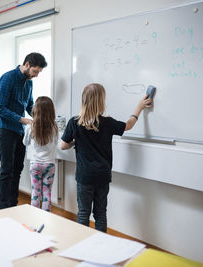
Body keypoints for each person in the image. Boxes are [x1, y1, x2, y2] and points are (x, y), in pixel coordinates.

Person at [60, 83, 152, 232]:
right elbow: (128, 125)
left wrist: (75, 142)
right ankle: (102, 247)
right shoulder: (107, 122)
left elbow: (63, 145)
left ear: (84, 100)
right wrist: (139, 107)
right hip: (103, 175)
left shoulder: (74, 122)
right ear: (101, 101)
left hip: (84, 176)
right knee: (100, 214)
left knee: (83, 213)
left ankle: (81, 245)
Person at [0, 52, 47, 209]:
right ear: (27, 65)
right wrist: (22, 119)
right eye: (35, 71)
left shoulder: (29, 82)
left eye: (38, 73)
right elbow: (0, 108)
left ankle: (13, 204)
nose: (36, 75)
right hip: (5, 128)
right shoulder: (7, 78)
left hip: (19, 130)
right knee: (6, 169)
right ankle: (3, 207)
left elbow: (29, 105)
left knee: (18, 168)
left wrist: (40, 118)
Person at [23, 96, 58, 212]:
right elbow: (56, 143)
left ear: (35, 110)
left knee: (35, 193)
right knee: (47, 194)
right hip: (49, 164)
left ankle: (35, 217)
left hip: (35, 164)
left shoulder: (30, 127)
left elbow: (25, 142)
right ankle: (46, 218)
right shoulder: (54, 127)